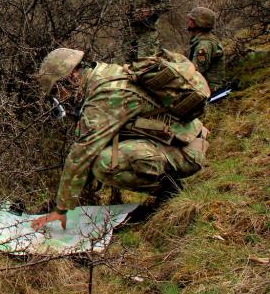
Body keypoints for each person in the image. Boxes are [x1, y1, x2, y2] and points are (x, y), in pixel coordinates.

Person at [30, 48, 209, 231]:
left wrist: (61, 209)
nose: (61, 98)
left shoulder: (105, 96)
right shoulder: (104, 74)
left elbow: (81, 153)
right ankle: (166, 185)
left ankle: (169, 191)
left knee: (105, 164)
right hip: (177, 142)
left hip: (186, 151)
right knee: (105, 155)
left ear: (70, 78)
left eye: (58, 91)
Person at [187, 7, 226, 93]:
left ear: (198, 23)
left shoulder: (204, 44)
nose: (188, 21)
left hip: (208, 89)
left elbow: (195, 71)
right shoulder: (202, 38)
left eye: (191, 20)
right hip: (205, 85)